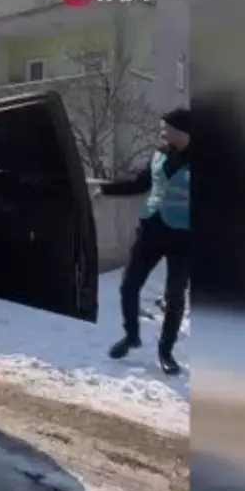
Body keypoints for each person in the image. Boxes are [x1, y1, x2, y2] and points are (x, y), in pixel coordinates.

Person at [96, 108, 191, 375]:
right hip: (150, 231)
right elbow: (139, 184)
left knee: (174, 296)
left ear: (182, 131)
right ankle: (131, 336)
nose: (162, 133)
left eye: (166, 128)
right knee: (128, 286)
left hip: (184, 238)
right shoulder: (159, 155)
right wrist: (104, 189)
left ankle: (166, 352)